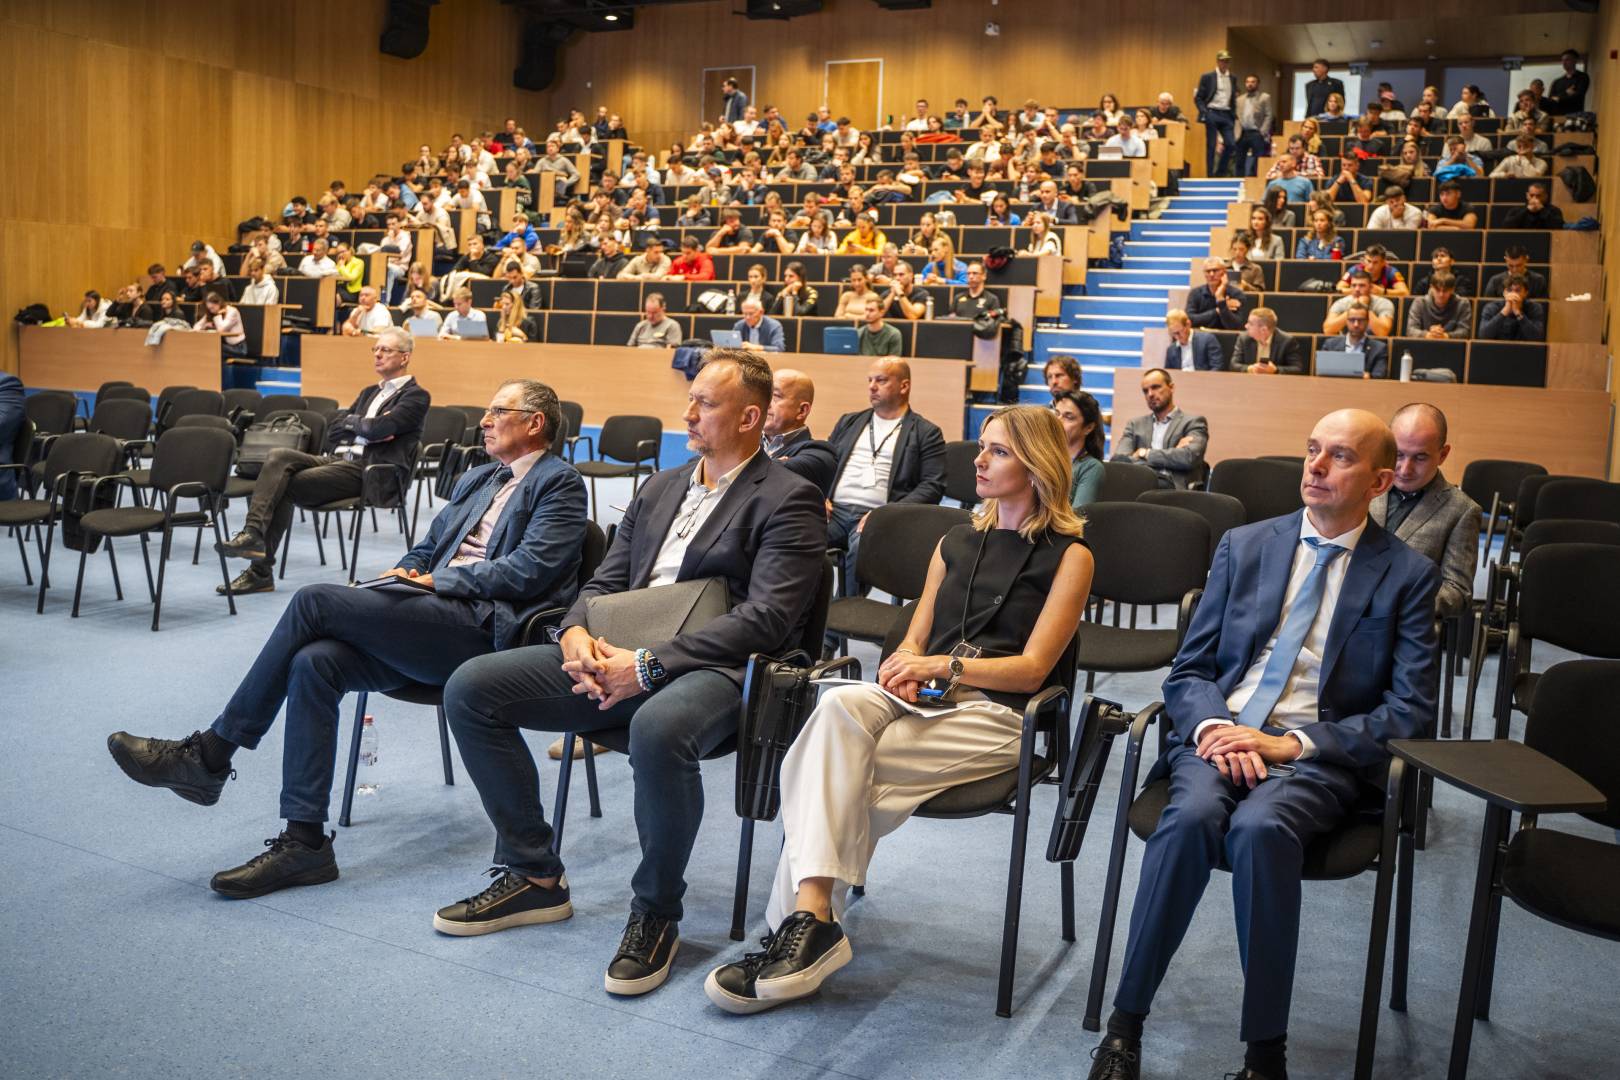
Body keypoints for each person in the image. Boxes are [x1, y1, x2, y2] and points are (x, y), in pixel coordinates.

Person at [434, 351, 823, 997]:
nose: (688, 412)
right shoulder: (661, 486)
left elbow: (769, 620)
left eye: (707, 403)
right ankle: (534, 876)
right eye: (691, 398)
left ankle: (655, 914)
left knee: (660, 726)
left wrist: (648, 665)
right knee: (472, 688)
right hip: (618, 653)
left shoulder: (789, 497)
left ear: (752, 417)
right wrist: (578, 634)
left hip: (721, 669)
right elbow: (606, 582)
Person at [107, 379, 588, 896]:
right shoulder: (479, 478)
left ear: (534, 423)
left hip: (484, 631)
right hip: (431, 617)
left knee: (314, 601)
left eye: (498, 411)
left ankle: (210, 754)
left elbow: (531, 571)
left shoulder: (558, 483)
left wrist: (433, 582)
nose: (485, 421)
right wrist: (401, 576)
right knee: (315, 662)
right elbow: (427, 547)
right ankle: (304, 843)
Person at [1084, 407, 1438, 1080]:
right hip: (1221, 735)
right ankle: (1125, 1028)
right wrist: (1218, 730)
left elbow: (1409, 713)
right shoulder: (1246, 545)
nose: (1316, 465)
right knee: (1188, 818)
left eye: (1339, 456)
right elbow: (1191, 669)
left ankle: (1263, 1056)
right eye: (1311, 449)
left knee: (1259, 830)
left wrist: (1291, 745)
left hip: (1316, 755)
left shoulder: (1407, 575)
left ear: (1381, 479)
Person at [706, 405, 1093, 1013]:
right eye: (982, 447)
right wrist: (904, 666)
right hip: (923, 705)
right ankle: (812, 926)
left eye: (998, 452)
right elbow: (915, 635)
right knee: (836, 712)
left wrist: (940, 667)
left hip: (1002, 716)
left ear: (1037, 465)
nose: (980, 461)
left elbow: (1033, 669)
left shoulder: (1071, 556)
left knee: (835, 777)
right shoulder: (957, 539)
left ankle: (792, 939)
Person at [213, 327, 431, 593]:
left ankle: (259, 568)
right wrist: (363, 426)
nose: (377, 355)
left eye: (385, 350)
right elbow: (333, 430)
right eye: (375, 349)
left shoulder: (416, 396)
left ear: (404, 357)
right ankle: (253, 534)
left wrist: (359, 425)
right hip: (337, 461)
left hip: (370, 472)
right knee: (278, 457)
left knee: (283, 484)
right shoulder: (368, 393)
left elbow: (375, 430)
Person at [824, 358, 948, 595]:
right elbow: (824, 464)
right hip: (834, 512)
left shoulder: (925, 432)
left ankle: (842, 618)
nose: (872, 386)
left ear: (904, 386)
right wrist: (819, 495)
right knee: (796, 532)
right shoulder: (849, 421)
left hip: (880, 516)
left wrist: (887, 514)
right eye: (870, 380)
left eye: (881, 380)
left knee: (862, 545)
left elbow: (933, 485)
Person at [1366, 403, 1480, 619]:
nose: (1405, 469)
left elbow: (1457, 592)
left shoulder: (1462, 511)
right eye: (1398, 454)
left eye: (1420, 457)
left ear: (1443, 454)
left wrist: (1400, 605)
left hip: (1401, 624)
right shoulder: (1363, 485)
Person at [1110, 369, 1209, 489]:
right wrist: (1173, 454)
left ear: (1171, 387)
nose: (1150, 394)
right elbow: (1120, 461)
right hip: (1141, 486)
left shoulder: (1192, 422)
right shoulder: (1135, 425)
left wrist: (1144, 453)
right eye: (1145, 391)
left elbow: (1188, 458)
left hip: (1173, 490)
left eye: (1156, 387)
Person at [761, 368, 838, 497]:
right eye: (765, 395)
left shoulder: (820, 454)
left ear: (802, 410)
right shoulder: (747, 440)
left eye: (775, 396)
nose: (765, 403)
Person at [1053, 390, 1106, 508]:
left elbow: (1076, 519)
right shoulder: (1043, 457)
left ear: (1088, 427)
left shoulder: (1092, 468)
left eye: (1068, 417)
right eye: (1057, 414)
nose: (1058, 421)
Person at [1194, 50, 1238, 177]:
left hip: (1227, 114)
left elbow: (1233, 97)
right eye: (1223, 61)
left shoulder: (1233, 78)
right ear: (1218, 61)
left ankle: (1220, 172)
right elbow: (1198, 98)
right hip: (1212, 112)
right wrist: (1205, 112)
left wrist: (1233, 113)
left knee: (1231, 144)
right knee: (1212, 145)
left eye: (1227, 61)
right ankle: (1210, 175)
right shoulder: (1208, 77)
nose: (1225, 63)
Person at [1316, 304, 1388, 379]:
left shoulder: (1379, 348)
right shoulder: (1330, 345)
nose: (1356, 324)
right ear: (1346, 321)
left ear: (1367, 322)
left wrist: (1368, 376)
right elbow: (1321, 373)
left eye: (1360, 320)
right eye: (1352, 320)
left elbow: (1379, 375)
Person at [1230, 308, 1304, 375]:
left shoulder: (1287, 341)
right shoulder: (1243, 339)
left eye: (1250, 324)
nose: (1246, 326)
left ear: (1263, 330)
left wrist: (1276, 370)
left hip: (1276, 385)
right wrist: (1250, 369)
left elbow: (1297, 368)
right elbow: (1233, 365)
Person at [1477, 275, 1546, 341]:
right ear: (1504, 293)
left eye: (1517, 290)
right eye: (1509, 290)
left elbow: (1537, 337)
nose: (1513, 294)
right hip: (1496, 350)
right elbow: (1483, 335)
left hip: (1525, 350)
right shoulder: (1491, 307)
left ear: (1526, 293)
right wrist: (1504, 312)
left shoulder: (1535, 308)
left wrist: (1518, 313)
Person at [1405, 272, 1472, 340]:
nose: (1441, 295)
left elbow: (1465, 332)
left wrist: (1445, 336)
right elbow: (1411, 330)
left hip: (1451, 347)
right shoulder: (1419, 302)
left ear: (1452, 290)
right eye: (1437, 290)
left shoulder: (1462, 303)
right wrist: (1428, 334)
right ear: (1431, 288)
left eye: (1445, 291)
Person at [1186, 259, 1247, 330]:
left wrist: (1220, 299)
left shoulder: (1236, 294)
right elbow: (1189, 321)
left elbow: (1236, 326)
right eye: (1208, 271)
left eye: (1215, 270)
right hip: (1202, 337)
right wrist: (1217, 311)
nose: (1211, 274)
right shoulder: (1195, 293)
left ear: (1224, 272)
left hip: (1228, 338)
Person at [1232, 75, 1273, 178]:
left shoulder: (1264, 97)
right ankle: (1239, 181)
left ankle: (1254, 181)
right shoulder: (1239, 99)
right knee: (1239, 160)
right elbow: (1236, 117)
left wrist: (1263, 131)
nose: (1250, 84)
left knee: (1258, 160)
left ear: (1258, 84)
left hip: (1257, 132)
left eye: (1253, 82)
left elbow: (1269, 115)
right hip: (1242, 132)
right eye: (1247, 82)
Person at [194, 292, 248, 359]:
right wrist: (204, 326)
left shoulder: (232, 311)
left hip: (238, 348)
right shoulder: (212, 312)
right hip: (226, 346)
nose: (211, 311)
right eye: (209, 309)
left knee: (213, 350)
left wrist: (217, 315)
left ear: (219, 303)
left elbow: (221, 329)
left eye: (212, 308)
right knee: (206, 348)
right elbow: (196, 327)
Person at [1338, 245, 1407, 297]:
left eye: (1375, 262)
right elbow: (1339, 288)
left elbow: (1405, 292)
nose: (1371, 266)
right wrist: (1361, 290)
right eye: (1369, 261)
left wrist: (1383, 291)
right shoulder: (1354, 270)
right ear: (1364, 260)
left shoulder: (1391, 271)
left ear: (1383, 262)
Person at [1483, 246, 1548, 299]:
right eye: (1511, 266)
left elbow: (1542, 307)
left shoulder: (1538, 280)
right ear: (1506, 260)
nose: (1515, 270)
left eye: (1519, 265)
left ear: (1526, 260)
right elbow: (1487, 306)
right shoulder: (1495, 280)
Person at [1546, 49, 1589, 115]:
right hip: (1558, 117)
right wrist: (1566, 93)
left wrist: (1558, 98)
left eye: (1567, 60)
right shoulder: (1557, 82)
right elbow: (1550, 100)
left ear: (1575, 60)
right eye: (1562, 60)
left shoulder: (1582, 77)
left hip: (1575, 116)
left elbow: (1578, 96)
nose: (1564, 63)